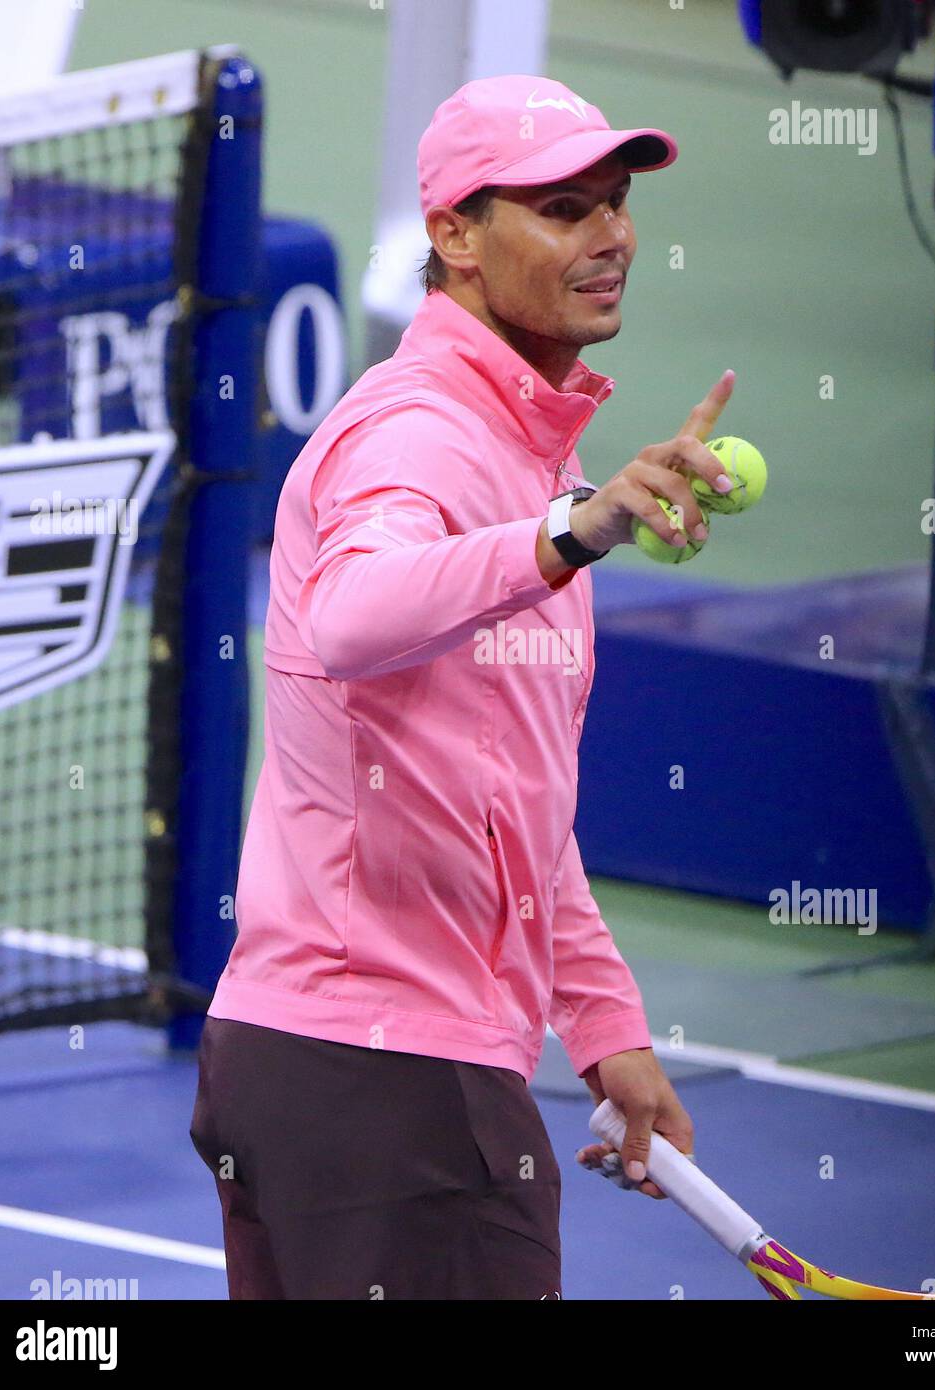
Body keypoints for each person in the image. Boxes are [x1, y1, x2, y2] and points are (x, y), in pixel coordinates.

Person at [190, 73, 738, 1300]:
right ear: (453, 235)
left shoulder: (526, 453)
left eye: (612, 203)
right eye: (558, 208)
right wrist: (570, 532)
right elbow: (351, 613)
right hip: (387, 1094)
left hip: (329, 1075)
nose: (607, 236)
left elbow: (510, 803)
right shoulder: (418, 436)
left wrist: (602, 1028)